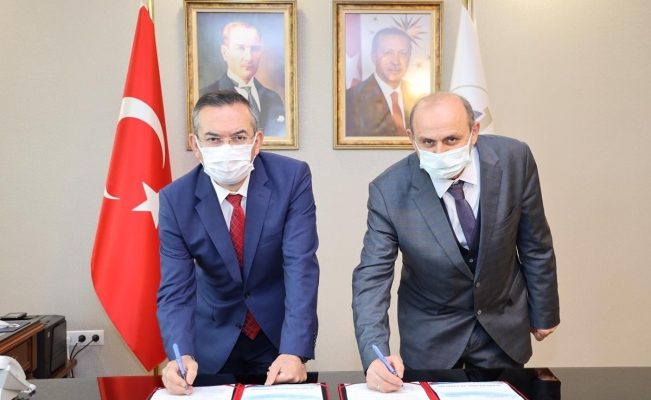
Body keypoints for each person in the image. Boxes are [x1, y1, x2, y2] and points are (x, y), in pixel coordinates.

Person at [351, 92, 560, 393]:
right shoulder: (388, 190)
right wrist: (375, 355)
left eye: (451, 139)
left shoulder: (515, 159)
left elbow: (535, 242)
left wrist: (544, 311)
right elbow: (372, 276)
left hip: (501, 322)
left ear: (474, 132)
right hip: (430, 330)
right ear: (411, 138)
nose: (440, 152)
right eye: (428, 142)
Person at [157, 91, 319, 394]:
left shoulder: (292, 179)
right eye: (213, 139)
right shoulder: (175, 200)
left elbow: (301, 267)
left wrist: (294, 350)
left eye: (239, 137)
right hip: (211, 340)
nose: (227, 148)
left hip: (277, 337)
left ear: (257, 141)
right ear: (195, 145)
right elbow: (176, 290)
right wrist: (181, 354)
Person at [200, 21, 286, 137]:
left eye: (254, 49)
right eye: (240, 48)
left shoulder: (273, 98)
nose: (249, 57)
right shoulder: (205, 96)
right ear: (225, 52)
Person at [346, 27, 419, 137]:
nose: (396, 61)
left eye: (403, 53)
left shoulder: (420, 99)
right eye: (388, 53)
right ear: (374, 57)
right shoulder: (350, 100)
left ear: (409, 57)